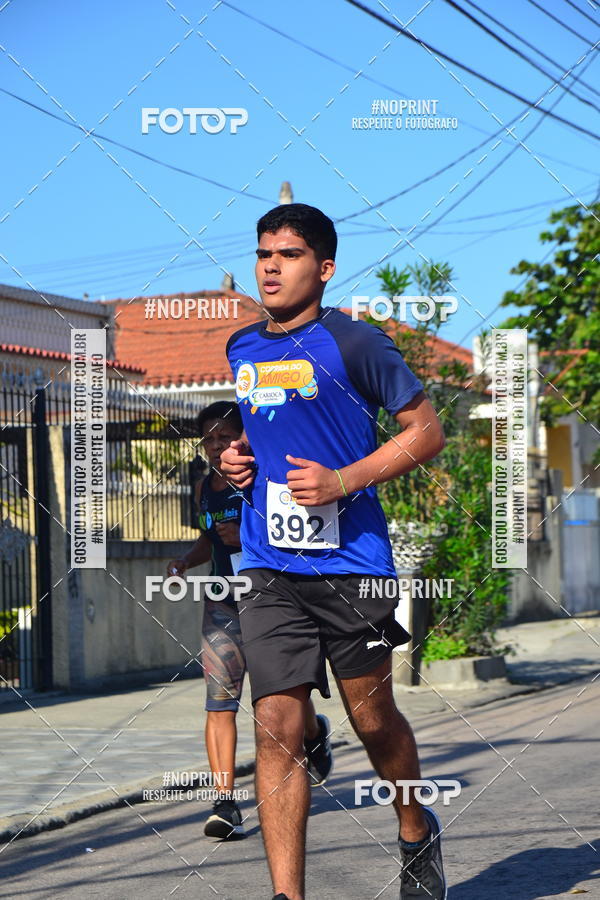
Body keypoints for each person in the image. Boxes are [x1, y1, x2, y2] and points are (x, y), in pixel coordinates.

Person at [221, 204, 447, 899]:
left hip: (356, 568)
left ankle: (414, 824)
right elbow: (261, 432)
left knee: (374, 721)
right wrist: (235, 462)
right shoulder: (241, 349)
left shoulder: (356, 344)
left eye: (287, 255)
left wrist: (343, 480)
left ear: (323, 268)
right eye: (263, 253)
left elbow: (426, 432)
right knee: (275, 728)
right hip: (269, 567)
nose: (269, 266)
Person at [167, 400, 333, 841]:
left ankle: (314, 734)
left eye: (225, 437)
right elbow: (208, 537)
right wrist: (186, 559)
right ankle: (225, 803)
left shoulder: (264, 477)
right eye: (209, 439)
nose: (217, 446)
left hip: (272, 598)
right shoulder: (205, 487)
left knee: (279, 695)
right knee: (219, 699)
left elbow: (296, 529)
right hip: (224, 597)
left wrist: (246, 534)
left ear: (244, 438)